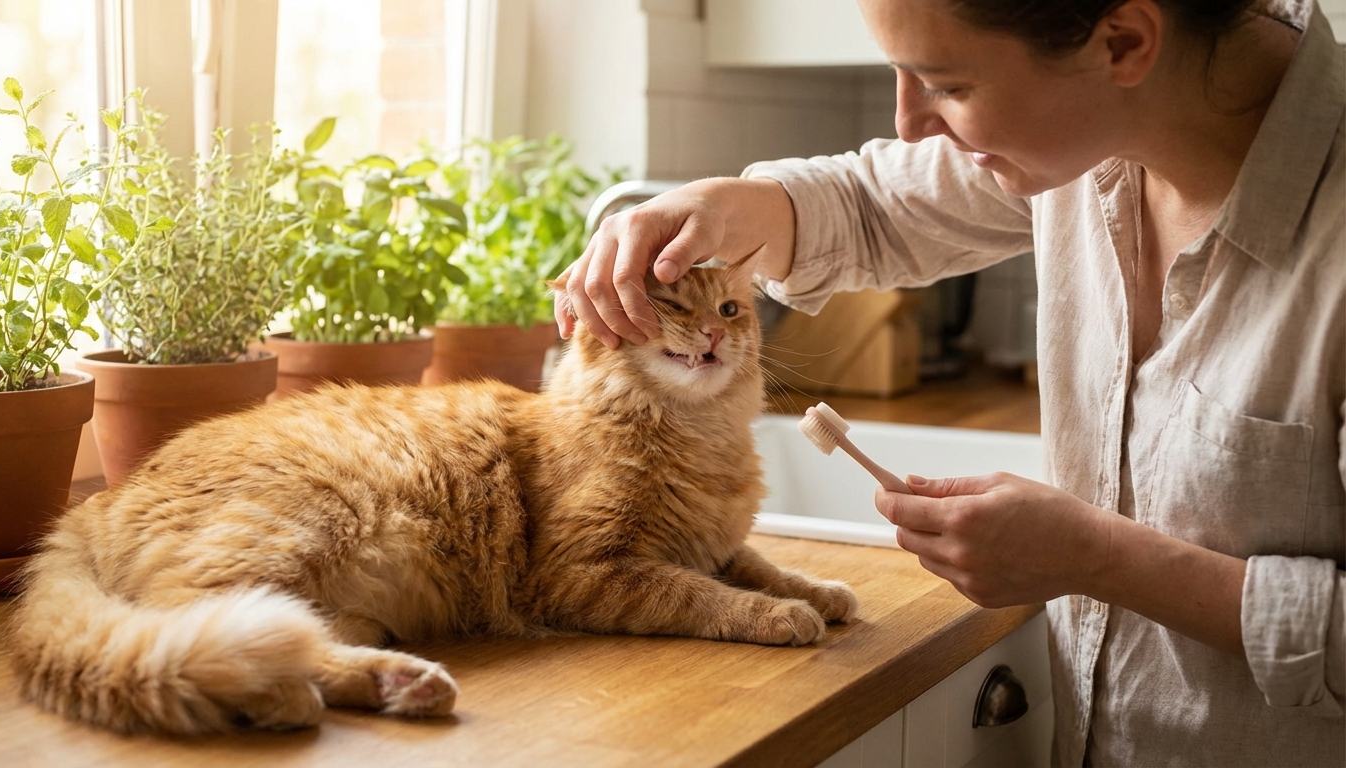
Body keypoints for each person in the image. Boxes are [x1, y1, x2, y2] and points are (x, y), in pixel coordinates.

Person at [554, 0, 1344, 764]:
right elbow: (871, 204)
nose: (909, 122)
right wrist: (718, 206)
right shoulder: (1098, 131)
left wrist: (1099, 559)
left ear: (1124, 44)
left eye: (948, 85)